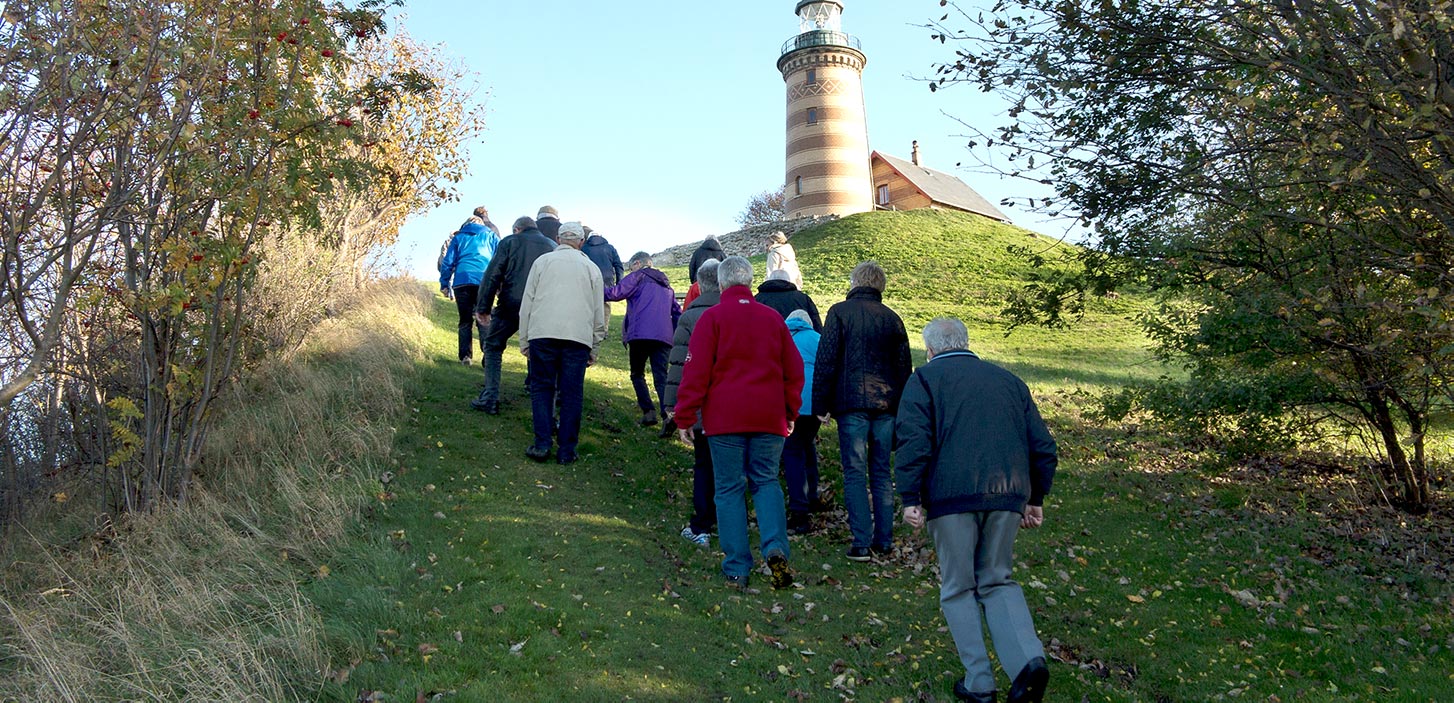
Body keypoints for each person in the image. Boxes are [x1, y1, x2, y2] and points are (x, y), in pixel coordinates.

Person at [895, 317, 1056, 703]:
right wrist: (1035, 498)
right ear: (966, 343)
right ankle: (1027, 662)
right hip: (1008, 496)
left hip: (951, 499)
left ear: (930, 351)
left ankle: (980, 683)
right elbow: (1043, 447)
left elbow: (913, 442)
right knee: (998, 580)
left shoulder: (924, 381)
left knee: (957, 587)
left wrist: (909, 498)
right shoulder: (1009, 381)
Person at [674, 256, 803, 591]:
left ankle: (736, 568)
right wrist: (790, 411)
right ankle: (775, 550)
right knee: (766, 482)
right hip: (768, 416)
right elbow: (794, 370)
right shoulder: (772, 319)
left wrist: (685, 416)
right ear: (749, 280)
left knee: (729, 489)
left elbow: (696, 372)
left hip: (725, 418)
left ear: (722, 281)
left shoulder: (713, 318)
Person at [813, 260, 913, 562]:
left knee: (854, 472)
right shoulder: (893, 319)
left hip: (851, 402)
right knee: (881, 472)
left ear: (855, 282)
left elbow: (826, 360)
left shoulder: (839, 313)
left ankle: (860, 541)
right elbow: (903, 370)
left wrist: (820, 403)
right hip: (886, 404)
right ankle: (884, 540)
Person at [517, 222, 607, 464]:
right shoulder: (591, 269)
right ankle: (567, 450)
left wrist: (524, 338)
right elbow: (599, 312)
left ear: (558, 239)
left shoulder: (542, 263)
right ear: (580, 242)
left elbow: (528, 303)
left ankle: (542, 444)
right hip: (577, 338)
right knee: (571, 394)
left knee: (542, 389)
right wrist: (594, 346)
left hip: (542, 333)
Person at [472, 216, 556, 414]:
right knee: (540, 351)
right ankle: (544, 406)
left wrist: (483, 307)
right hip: (540, 306)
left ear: (517, 229)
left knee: (493, 346)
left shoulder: (509, 242)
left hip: (511, 302)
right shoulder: (552, 246)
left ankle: (490, 397)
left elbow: (493, 275)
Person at [663, 259, 721, 546]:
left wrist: (673, 407)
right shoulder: (737, 312)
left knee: (704, 464)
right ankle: (728, 517)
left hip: (701, 405)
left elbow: (678, 363)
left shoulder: (690, 316)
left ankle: (702, 523)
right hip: (735, 405)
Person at [604, 252, 680, 427]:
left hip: (640, 334)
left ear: (637, 263)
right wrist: (675, 335)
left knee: (637, 373)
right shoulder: (666, 285)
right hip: (663, 337)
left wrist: (593, 289)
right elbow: (676, 312)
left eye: (631, 267)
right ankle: (668, 414)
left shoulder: (637, 277)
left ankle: (648, 412)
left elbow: (616, 293)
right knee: (662, 377)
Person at [438, 215, 500, 365]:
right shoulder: (491, 236)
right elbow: (499, 259)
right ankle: (488, 355)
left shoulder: (459, 237)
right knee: (484, 317)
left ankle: (466, 356)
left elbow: (448, 261)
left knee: (465, 320)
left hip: (462, 280)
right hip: (483, 280)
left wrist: (444, 283)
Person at [782, 309, 822, 535]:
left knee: (793, 453)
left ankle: (799, 512)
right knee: (808, 446)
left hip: (791, 403)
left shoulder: (781, 338)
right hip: (814, 404)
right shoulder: (817, 339)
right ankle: (812, 496)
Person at [582, 226, 625, 333]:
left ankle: (589, 329)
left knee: (590, 305)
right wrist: (619, 283)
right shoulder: (610, 248)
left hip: (589, 280)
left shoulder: (584, 248)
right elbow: (618, 265)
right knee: (605, 305)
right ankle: (603, 330)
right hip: (606, 280)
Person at [755, 269, 821, 331]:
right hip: (796, 339)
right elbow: (816, 322)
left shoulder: (758, 298)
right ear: (788, 281)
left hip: (767, 339)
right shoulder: (802, 298)